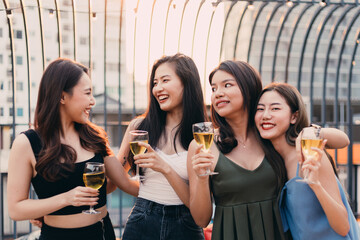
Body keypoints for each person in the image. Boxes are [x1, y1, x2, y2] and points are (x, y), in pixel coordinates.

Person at [7, 58, 138, 240]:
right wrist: (66, 199)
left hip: (102, 233)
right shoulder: (27, 143)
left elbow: (123, 182)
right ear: (62, 96)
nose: (92, 101)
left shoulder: (94, 136)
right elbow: (15, 209)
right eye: (88, 93)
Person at [188, 60, 289, 240]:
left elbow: (338, 140)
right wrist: (201, 177)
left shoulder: (272, 135)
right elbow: (201, 219)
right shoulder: (202, 145)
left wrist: (314, 132)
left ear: (248, 88)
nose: (218, 93)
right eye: (213, 89)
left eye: (227, 85)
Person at [254, 82, 359, 239]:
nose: (265, 115)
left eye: (275, 108)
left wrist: (316, 186)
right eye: (260, 109)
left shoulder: (311, 155)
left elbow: (343, 227)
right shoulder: (272, 162)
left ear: (294, 116)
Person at [119, 53, 206, 239]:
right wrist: (147, 195)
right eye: (155, 83)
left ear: (187, 82)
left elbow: (197, 207)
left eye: (165, 80)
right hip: (142, 220)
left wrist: (164, 168)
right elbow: (118, 175)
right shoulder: (139, 128)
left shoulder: (201, 136)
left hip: (186, 225)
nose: (157, 88)